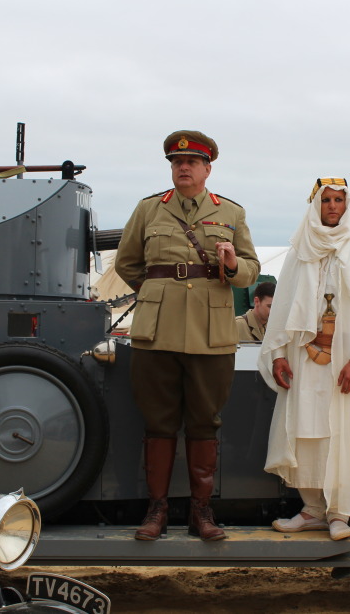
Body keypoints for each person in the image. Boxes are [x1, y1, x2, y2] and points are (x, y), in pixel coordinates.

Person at [115, 130, 260, 541]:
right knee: (157, 422)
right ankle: (156, 511)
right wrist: (157, 292)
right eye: (177, 162)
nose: (183, 167)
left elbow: (251, 269)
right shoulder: (148, 210)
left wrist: (232, 266)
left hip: (210, 334)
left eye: (192, 162)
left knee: (204, 423)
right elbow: (127, 263)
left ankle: (201, 512)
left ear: (207, 168)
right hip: (156, 332)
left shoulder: (230, 213)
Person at [258, 178, 350, 541]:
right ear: (315, 205)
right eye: (326, 200)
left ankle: (339, 514)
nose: (333, 206)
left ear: (348, 204)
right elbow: (282, 310)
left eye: (339, 200)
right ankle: (313, 509)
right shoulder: (300, 250)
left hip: (343, 361)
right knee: (306, 433)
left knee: (341, 434)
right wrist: (279, 356)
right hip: (304, 360)